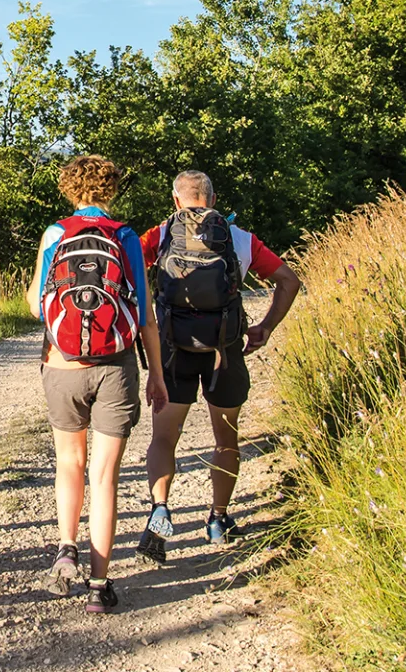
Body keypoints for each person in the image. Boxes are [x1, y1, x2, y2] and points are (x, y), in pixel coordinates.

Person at [134, 171, 302, 565]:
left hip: (174, 349)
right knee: (226, 439)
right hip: (224, 351)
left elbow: (125, 274)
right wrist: (264, 328)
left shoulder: (159, 235)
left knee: (163, 438)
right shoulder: (239, 238)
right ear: (213, 197)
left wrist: (144, 326)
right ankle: (218, 520)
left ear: (176, 200)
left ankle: (160, 512)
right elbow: (289, 281)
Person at [27, 154, 167, 614]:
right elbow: (144, 313)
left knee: (69, 462)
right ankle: (99, 585)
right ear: (112, 189)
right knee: (104, 476)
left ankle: (66, 547)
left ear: (69, 188)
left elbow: (35, 304)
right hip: (116, 364)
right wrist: (157, 376)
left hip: (62, 364)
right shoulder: (125, 236)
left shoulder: (55, 233)